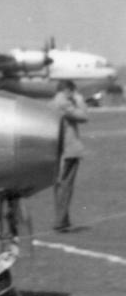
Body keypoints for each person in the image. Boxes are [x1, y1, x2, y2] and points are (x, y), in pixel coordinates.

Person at [52, 79, 89, 232]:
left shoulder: (53, 102)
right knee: (65, 185)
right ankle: (60, 221)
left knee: (60, 185)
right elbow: (83, 116)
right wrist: (80, 101)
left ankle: (63, 219)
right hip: (69, 149)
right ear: (68, 90)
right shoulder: (64, 103)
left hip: (59, 149)